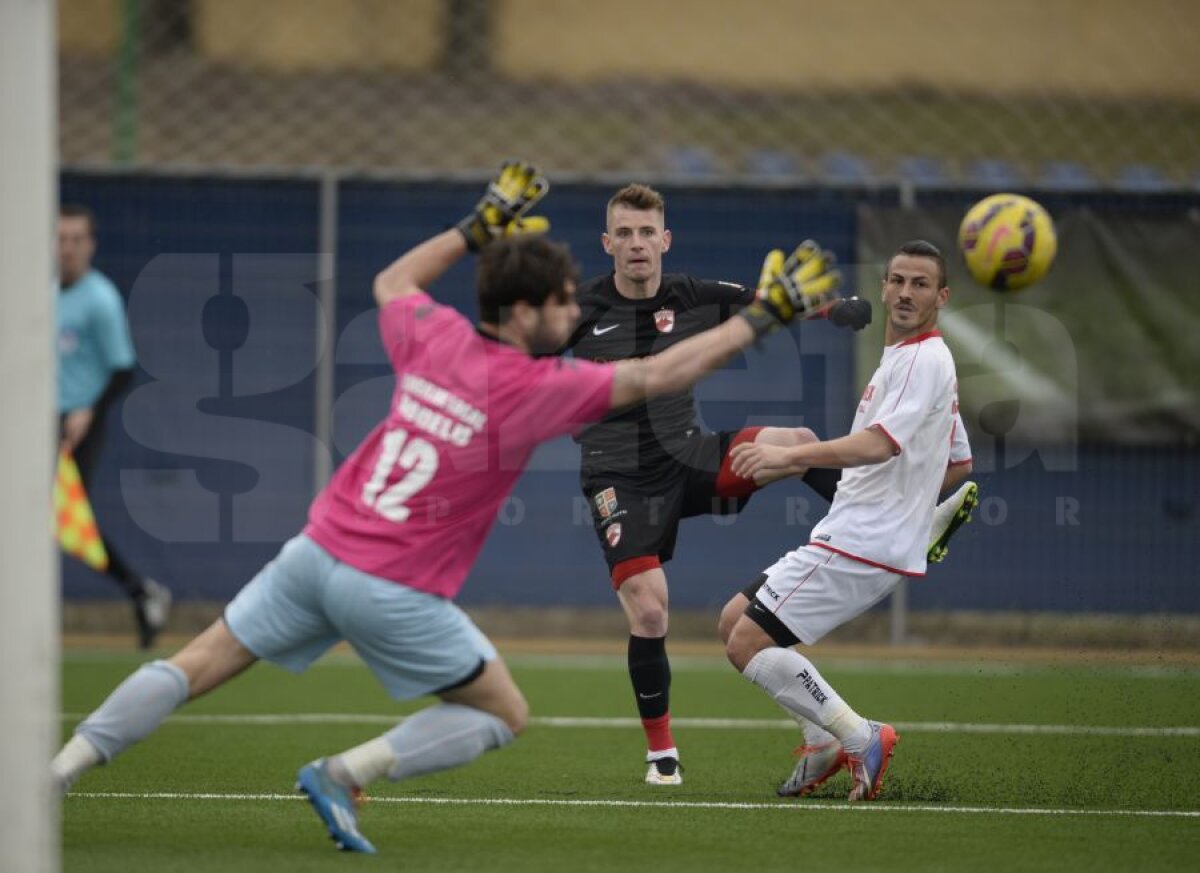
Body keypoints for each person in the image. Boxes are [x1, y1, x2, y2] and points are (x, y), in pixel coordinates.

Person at [51, 162, 844, 854]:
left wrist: (475, 226)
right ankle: (344, 772)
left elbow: (392, 282)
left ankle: (54, 776)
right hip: (390, 584)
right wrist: (763, 317)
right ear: (528, 313)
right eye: (564, 304)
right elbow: (657, 376)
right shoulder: (541, 388)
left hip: (312, 553)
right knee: (501, 711)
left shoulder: (432, 336)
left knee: (187, 667)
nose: (575, 315)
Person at [563, 184, 974, 785]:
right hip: (617, 477)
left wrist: (833, 310)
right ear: (607, 244)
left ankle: (895, 531)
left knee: (791, 440)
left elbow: (772, 301)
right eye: (623, 234)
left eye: (647, 233)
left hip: (688, 459)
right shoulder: (579, 312)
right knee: (651, 612)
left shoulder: (689, 294)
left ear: (664, 240)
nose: (636, 244)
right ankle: (662, 757)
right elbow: (524, 366)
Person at [719, 240, 970, 802]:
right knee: (733, 618)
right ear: (883, 287)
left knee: (745, 644)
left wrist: (791, 456)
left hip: (860, 540)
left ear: (942, 296)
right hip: (865, 534)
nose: (906, 293)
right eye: (898, 280)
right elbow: (959, 463)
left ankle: (860, 737)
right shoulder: (914, 359)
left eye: (921, 284)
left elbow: (880, 444)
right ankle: (822, 740)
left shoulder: (923, 359)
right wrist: (912, 516)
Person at [57, 204, 173, 650]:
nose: (66, 249)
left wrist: (89, 409)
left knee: (64, 523)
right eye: (60, 238)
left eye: (75, 240)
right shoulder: (41, 292)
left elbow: (123, 369)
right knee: (53, 524)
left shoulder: (100, 299)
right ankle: (140, 591)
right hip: (38, 423)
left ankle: (140, 590)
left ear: (90, 245)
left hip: (76, 427)